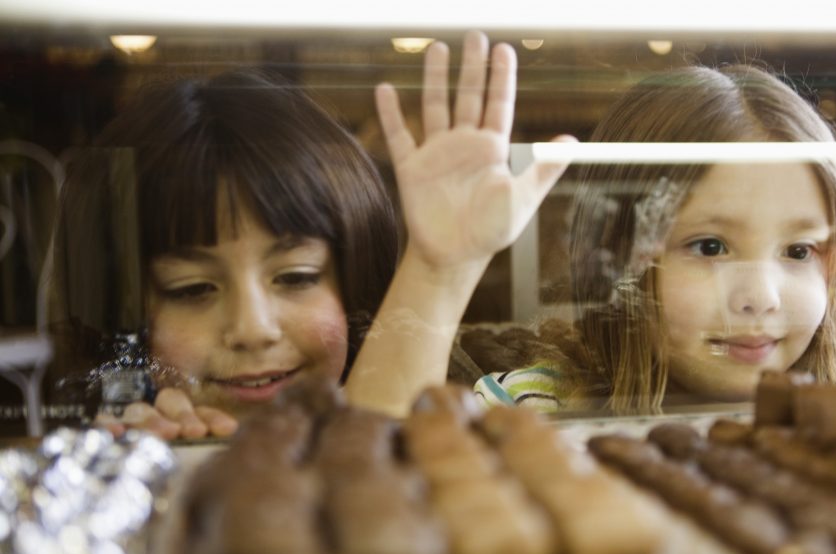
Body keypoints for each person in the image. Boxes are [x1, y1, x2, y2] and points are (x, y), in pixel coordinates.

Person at [50, 31, 571, 438]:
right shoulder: (112, 451)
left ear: (355, 285)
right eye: (191, 288)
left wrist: (440, 269)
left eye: (296, 277)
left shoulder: (481, 414)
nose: (253, 329)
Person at [474, 65, 836, 414]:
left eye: (798, 251)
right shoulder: (531, 407)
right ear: (616, 259)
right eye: (710, 247)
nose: (760, 297)